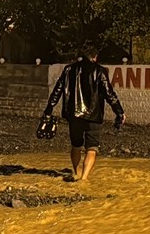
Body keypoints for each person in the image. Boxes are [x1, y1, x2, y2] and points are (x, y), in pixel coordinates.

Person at [42, 47, 125, 182]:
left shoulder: (69, 70)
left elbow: (57, 90)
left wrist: (49, 110)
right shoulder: (100, 71)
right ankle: (84, 178)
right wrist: (119, 112)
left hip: (73, 115)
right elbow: (109, 94)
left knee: (76, 145)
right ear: (95, 57)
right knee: (91, 148)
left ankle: (76, 172)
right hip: (93, 116)